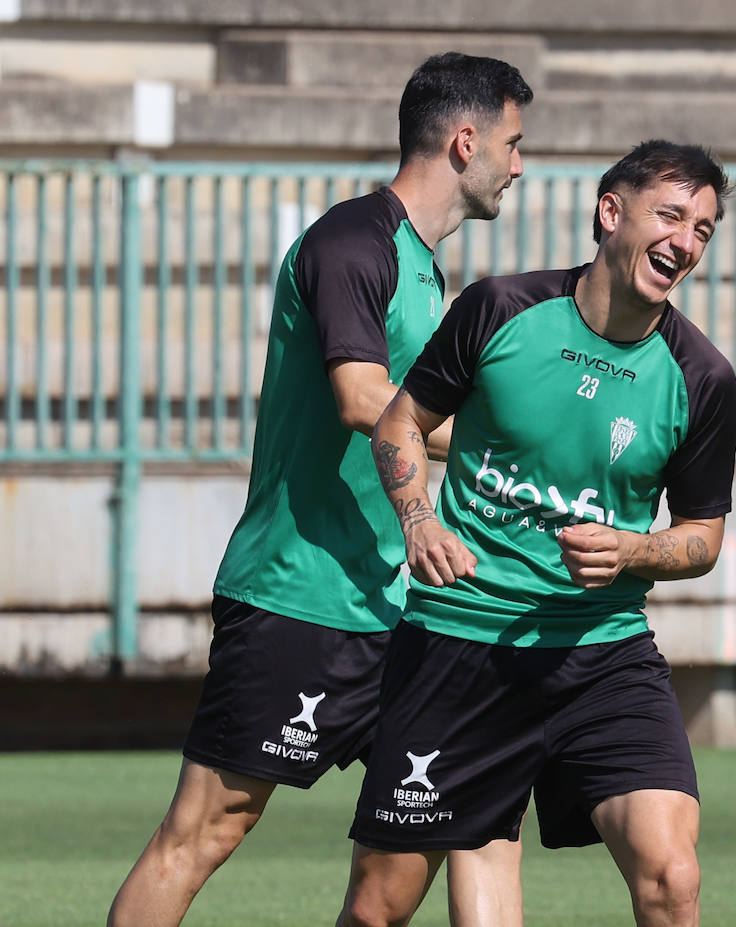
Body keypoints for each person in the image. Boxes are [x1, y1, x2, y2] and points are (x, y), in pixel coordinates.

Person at [108, 53, 533, 927]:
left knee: (403, 860)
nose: (520, 165)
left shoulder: (421, 263)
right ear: (465, 142)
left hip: (400, 610)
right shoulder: (352, 242)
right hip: (301, 594)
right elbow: (361, 398)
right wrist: (503, 452)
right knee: (203, 834)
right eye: (513, 142)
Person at [336, 139, 736, 927]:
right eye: (671, 215)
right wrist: (418, 518)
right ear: (610, 212)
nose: (686, 242)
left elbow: (702, 536)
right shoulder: (500, 309)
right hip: (460, 640)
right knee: (381, 901)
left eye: (703, 229)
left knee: (672, 874)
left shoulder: (703, 378)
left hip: (602, 653)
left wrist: (635, 550)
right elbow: (398, 425)